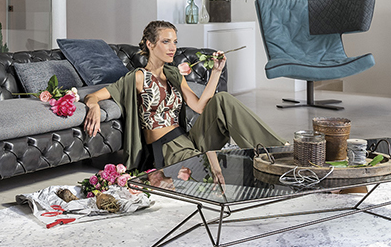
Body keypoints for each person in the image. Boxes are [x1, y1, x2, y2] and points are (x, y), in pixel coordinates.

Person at [83, 20, 286, 192]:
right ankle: (271, 172)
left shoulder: (173, 74)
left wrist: (216, 72)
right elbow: (93, 96)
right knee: (213, 176)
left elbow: (199, 106)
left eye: (174, 42)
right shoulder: (138, 77)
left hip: (189, 138)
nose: (172, 47)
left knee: (222, 99)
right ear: (150, 44)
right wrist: (93, 107)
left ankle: (279, 152)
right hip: (167, 148)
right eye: (166, 42)